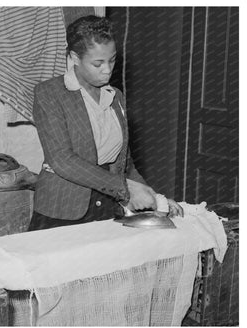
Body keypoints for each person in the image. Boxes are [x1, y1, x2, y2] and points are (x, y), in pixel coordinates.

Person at [28, 15, 183, 231]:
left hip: (107, 208)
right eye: (97, 63)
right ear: (74, 57)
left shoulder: (115, 96)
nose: (108, 70)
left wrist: (155, 198)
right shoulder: (50, 94)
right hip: (63, 210)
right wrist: (126, 190)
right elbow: (62, 160)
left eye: (112, 60)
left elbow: (124, 164)